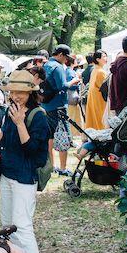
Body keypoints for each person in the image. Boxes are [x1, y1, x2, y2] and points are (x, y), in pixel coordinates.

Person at [0, 70, 49, 253]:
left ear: (31, 92)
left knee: (22, 224)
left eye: (22, 92)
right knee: (8, 223)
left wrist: (20, 123)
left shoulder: (38, 116)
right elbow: (5, 142)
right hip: (8, 174)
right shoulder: (11, 110)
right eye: (13, 91)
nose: (17, 96)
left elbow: (33, 151)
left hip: (24, 176)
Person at [42, 45, 79, 176]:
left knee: (50, 138)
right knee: (63, 137)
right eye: (66, 57)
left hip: (46, 106)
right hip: (58, 106)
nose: (66, 61)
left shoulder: (46, 65)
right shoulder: (58, 67)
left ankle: (51, 166)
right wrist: (73, 81)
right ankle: (63, 168)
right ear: (61, 55)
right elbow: (62, 86)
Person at [84, 50, 109, 130]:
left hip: (94, 98)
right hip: (99, 99)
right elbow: (105, 88)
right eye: (104, 56)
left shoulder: (95, 70)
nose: (106, 58)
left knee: (95, 119)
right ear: (98, 59)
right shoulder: (101, 72)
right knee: (100, 119)